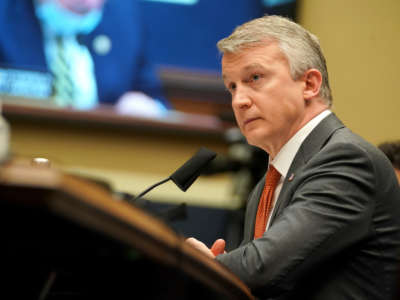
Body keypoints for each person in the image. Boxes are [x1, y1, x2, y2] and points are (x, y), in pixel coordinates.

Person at [186, 15, 400, 300]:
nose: (239, 100)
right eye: (232, 87)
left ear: (309, 84)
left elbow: (261, 267)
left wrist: (203, 266)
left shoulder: (346, 159)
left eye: (255, 78)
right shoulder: (267, 186)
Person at [0, 0, 170, 115]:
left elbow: (155, 98)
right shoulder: (5, 13)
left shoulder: (123, 15)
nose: (88, 4)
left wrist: (150, 108)